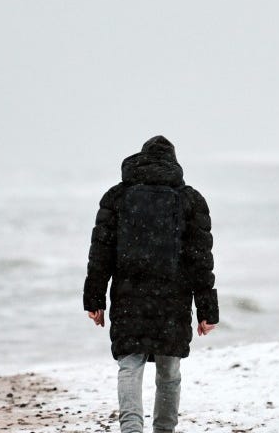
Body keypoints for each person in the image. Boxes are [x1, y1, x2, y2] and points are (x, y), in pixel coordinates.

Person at [84, 135, 218, 433]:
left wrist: (94, 299)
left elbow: (100, 253)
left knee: (129, 365)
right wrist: (207, 308)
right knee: (169, 371)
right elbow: (201, 260)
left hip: (129, 296)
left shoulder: (117, 197)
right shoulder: (190, 200)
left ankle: (131, 429)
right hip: (173, 297)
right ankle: (164, 430)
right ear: (173, 163)